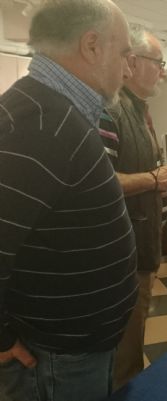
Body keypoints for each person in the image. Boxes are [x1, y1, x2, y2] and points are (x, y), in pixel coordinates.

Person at [0, 1, 138, 400]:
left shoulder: (57, 112)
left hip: (71, 349)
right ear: (91, 46)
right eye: (124, 54)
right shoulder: (41, 121)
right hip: (52, 357)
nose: (128, 69)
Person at [99, 25, 167, 389]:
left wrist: (160, 180)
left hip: (139, 248)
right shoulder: (110, 110)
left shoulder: (135, 110)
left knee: (131, 350)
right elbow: (99, 182)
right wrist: (153, 179)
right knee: (124, 360)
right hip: (121, 257)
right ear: (131, 62)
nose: (163, 72)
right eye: (158, 63)